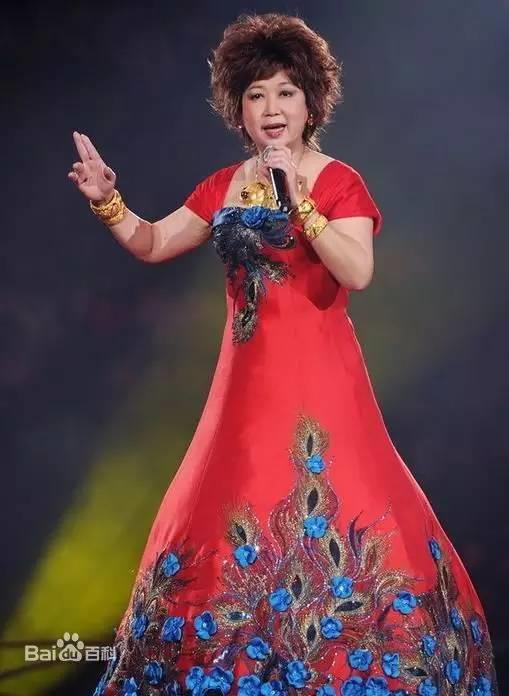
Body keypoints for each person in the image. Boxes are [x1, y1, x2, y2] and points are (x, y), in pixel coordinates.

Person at [69, 13, 498, 696]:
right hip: (243, 386)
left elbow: (356, 272)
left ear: (310, 103)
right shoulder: (223, 184)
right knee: (226, 500)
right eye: (257, 94)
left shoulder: (338, 180)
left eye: (286, 92)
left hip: (321, 379)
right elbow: (153, 242)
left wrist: (300, 202)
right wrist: (108, 202)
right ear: (238, 108)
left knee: (345, 497)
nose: (271, 107)